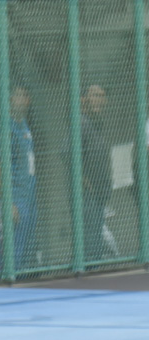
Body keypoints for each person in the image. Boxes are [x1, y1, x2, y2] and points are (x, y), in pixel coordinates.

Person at [0, 85, 37, 274]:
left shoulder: (24, 126)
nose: (23, 99)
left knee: (23, 254)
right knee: (7, 254)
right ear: (9, 99)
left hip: (29, 199)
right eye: (18, 95)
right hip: (12, 199)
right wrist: (9, 203)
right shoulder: (1, 129)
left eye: (26, 95)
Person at [78, 84, 111, 262]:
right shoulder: (81, 123)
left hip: (99, 194)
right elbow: (67, 153)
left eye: (101, 96)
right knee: (90, 244)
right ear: (84, 99)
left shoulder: (97, 124)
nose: (98, 100)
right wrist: (84, 180)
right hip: (87, 196)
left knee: (96, 242)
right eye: (94, 95)